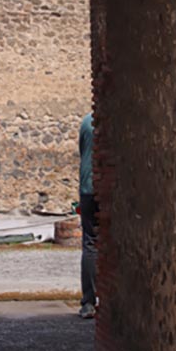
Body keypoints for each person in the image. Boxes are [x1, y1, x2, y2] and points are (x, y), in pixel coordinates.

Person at [78, 111, 98, 319]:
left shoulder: (86, 122)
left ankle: (89, 301)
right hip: (103, 187)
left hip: (87, 189)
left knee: (90, 244)